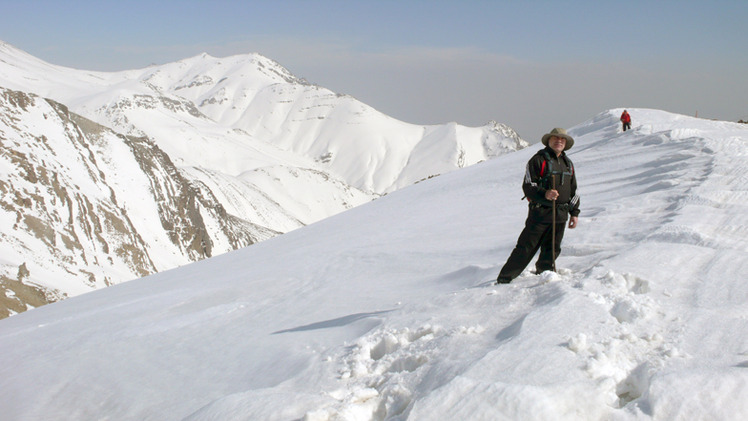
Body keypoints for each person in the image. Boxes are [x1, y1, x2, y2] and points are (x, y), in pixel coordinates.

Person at [496, 128, 580, 284]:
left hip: (561, 214)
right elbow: (528, 185)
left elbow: (573, 190)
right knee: (526, 248)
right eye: (555, 138)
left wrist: (574, 213)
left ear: (565, 143)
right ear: (548, 141)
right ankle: (504, 279)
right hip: (540, 214)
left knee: (553, 248)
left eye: (562, 139)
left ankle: (546, 275)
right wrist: (545, 194)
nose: (559, 141)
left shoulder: (568, 163)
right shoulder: (538, 160)